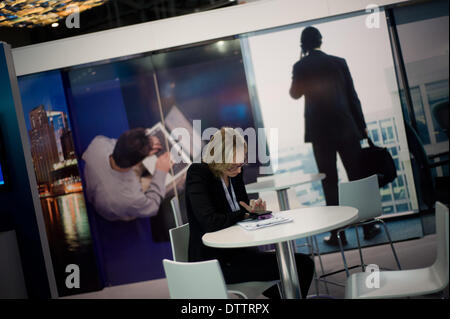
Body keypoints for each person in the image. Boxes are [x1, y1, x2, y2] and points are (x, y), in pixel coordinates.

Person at [185, 127, 314, 299]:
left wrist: (254, 212)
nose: (238, 171)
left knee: (299, 266)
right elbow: (211, 222)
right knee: (300, 266)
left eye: (241, 164)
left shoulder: (234, 171)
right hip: (214, 261)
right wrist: (243, 214)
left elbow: (242, 208)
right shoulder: (198, 173)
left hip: (239, 253)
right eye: (234, 165)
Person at [289, 26, 380, 245]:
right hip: (347, 128)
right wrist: (362, 126)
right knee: (356, 178)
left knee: (330, 182)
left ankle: (337, 234)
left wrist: (300, 62)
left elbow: (294, 94)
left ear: (304, 45)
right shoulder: (339, 62)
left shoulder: (301, 66)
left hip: (321, 134)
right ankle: (368, 227)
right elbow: (352, 96)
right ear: (321, 40)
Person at [82, 128, 172, 221]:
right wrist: (161, 171)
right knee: (178, 180)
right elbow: (153, 206)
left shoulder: (98, 144)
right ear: (137, 163)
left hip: (99, 189)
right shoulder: (131, 198)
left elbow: (122, 147)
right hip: (116, 206)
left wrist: (143, 145)